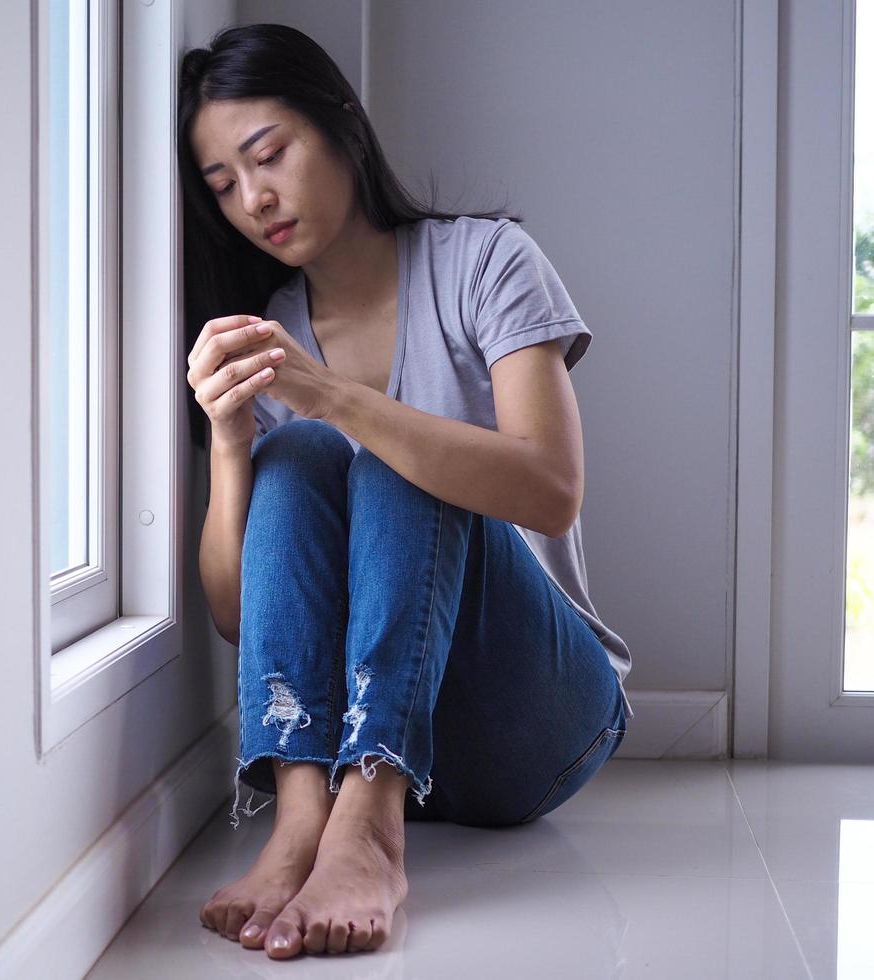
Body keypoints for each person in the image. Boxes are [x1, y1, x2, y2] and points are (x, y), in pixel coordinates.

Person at [179, 24, 634, 960]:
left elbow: (551, 491)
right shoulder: (269, 332)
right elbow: (234, 613)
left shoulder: (485, 261)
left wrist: (334, 396)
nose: (254, 197)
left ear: (342, 122)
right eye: (223, 184)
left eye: (268, 155)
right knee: (299, 455)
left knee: (389, 448)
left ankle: (373, 827)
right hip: (341, 738)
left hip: (533, 720)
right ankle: (304, 818)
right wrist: (232, 443)